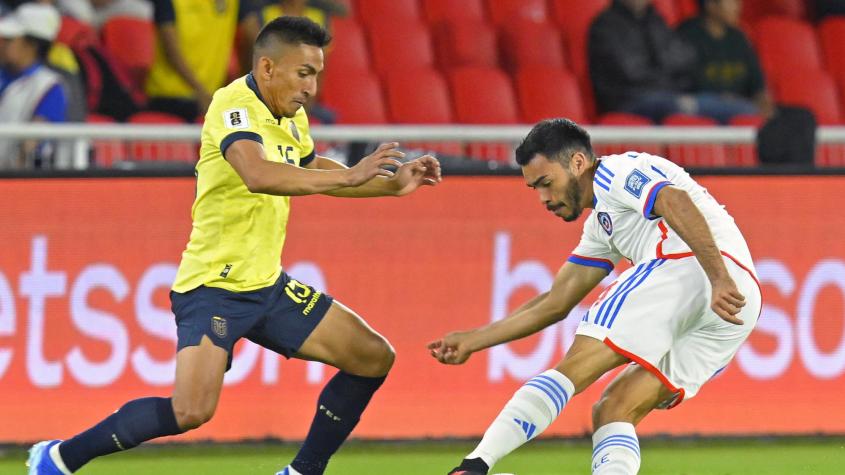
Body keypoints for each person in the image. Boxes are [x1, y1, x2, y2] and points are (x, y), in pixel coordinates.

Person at [27, 16, 441, 475]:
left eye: (317, 74)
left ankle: (302, 471)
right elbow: (257, 173)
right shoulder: (232, 104)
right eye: (304, 72)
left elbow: (313, 171)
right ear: (267, 68)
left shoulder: (292, 117)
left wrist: (391, 185)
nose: (312, 87)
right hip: (214, 287)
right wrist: (350, 172)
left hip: (267, 285)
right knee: (190, 411)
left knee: (372, 356)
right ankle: (59, 457)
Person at [430, 118, 761, 475]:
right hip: (739, 304)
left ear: (577, 163)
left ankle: (475, 465)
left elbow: (672, 199)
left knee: (573, 370)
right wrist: (474, 340)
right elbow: (556, 302)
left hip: (692, 269)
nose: (544, 198)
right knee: (614, 408)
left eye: (546, 183)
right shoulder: (601, 225)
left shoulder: (615, 172)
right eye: (534, 189)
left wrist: (717, 277)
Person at [145, 0, 263, 122]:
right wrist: (201, 92)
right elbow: (171, 50)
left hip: (207, 97)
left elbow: (253, 37)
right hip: (169, 97)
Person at [589, 0, 697, 122]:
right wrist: (667, 80)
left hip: (664, 93)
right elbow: (631, 74)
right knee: (678, 105)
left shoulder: (655, 21)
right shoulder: (605, 25)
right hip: (626, 101)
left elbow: (684, 59)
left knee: (715, 105)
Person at [676, 0, 774, 122]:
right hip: (700, 105)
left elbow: (757, 84)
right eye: (732, 2)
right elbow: (683, 83)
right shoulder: (687, 34)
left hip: (739, 106)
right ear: (711, 5)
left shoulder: (739, 38)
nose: (738, 7)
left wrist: (763, 101)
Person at [0, 2, 67, 169]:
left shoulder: (49, 86)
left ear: (32, 45)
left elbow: (32, 145)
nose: (1, 45)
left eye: (9, 40)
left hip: (13, 179)